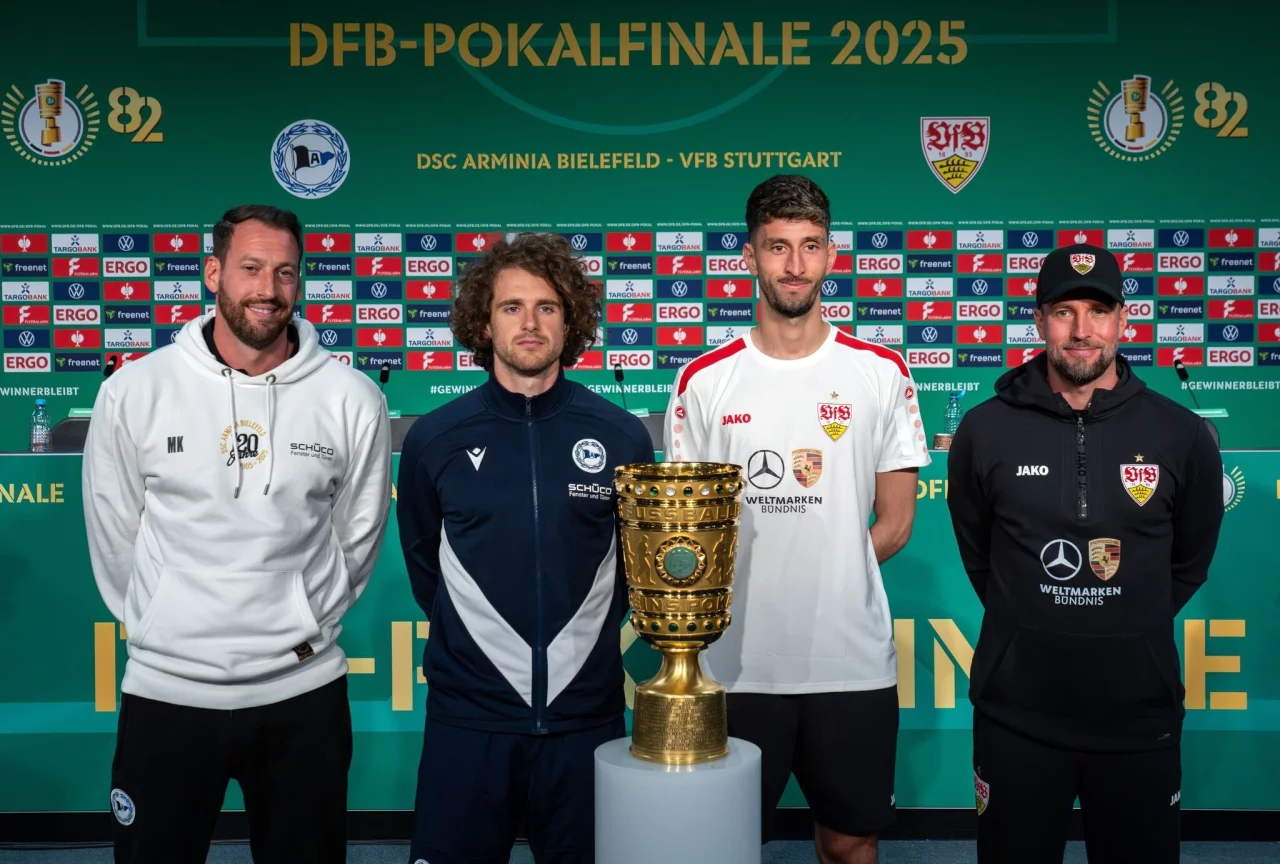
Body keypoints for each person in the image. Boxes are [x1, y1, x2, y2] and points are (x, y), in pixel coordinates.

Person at [82, 204, 393, 864]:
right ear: (213, 273)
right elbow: (114, 533)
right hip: (167, 693)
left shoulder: (351, 396)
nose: (268, 289)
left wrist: (305, 616)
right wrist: (164, 624)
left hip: (302, 694)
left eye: (285, 272)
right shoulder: (135, 390)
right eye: (251, 268)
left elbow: (358, 535)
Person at [664, 175, 930, 864]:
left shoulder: (881, 371)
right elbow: (686, 537)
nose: (794, 264)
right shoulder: (704, 380)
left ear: (831, 255)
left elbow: (896, 522)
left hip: (850, 663)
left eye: (810, 246)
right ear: (748, 256)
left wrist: (828, 575)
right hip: (732, 666)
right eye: (777, 246)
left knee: (850, 841)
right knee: (718, 846)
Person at [946, 244, 1225, 863]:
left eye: (1098, 311)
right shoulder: (984, 429)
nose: (1081, 330)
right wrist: (1029, 622)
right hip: (1016, 714)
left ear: (1123, 320)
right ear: (1039, 320)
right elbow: (979, 553)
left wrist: (1128, 625)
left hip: (1139, 717)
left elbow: (1190, 562)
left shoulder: (1181, 434)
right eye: (1063, 311)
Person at [397, 232, 653, 864]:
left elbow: (632, 572)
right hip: (468, 721)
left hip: (584, 719)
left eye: (547, 307)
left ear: (571, 322)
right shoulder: (436, 438)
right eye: (511, 307)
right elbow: (426, 567)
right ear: (484, 323)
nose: (530, 323)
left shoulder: (622, 437)